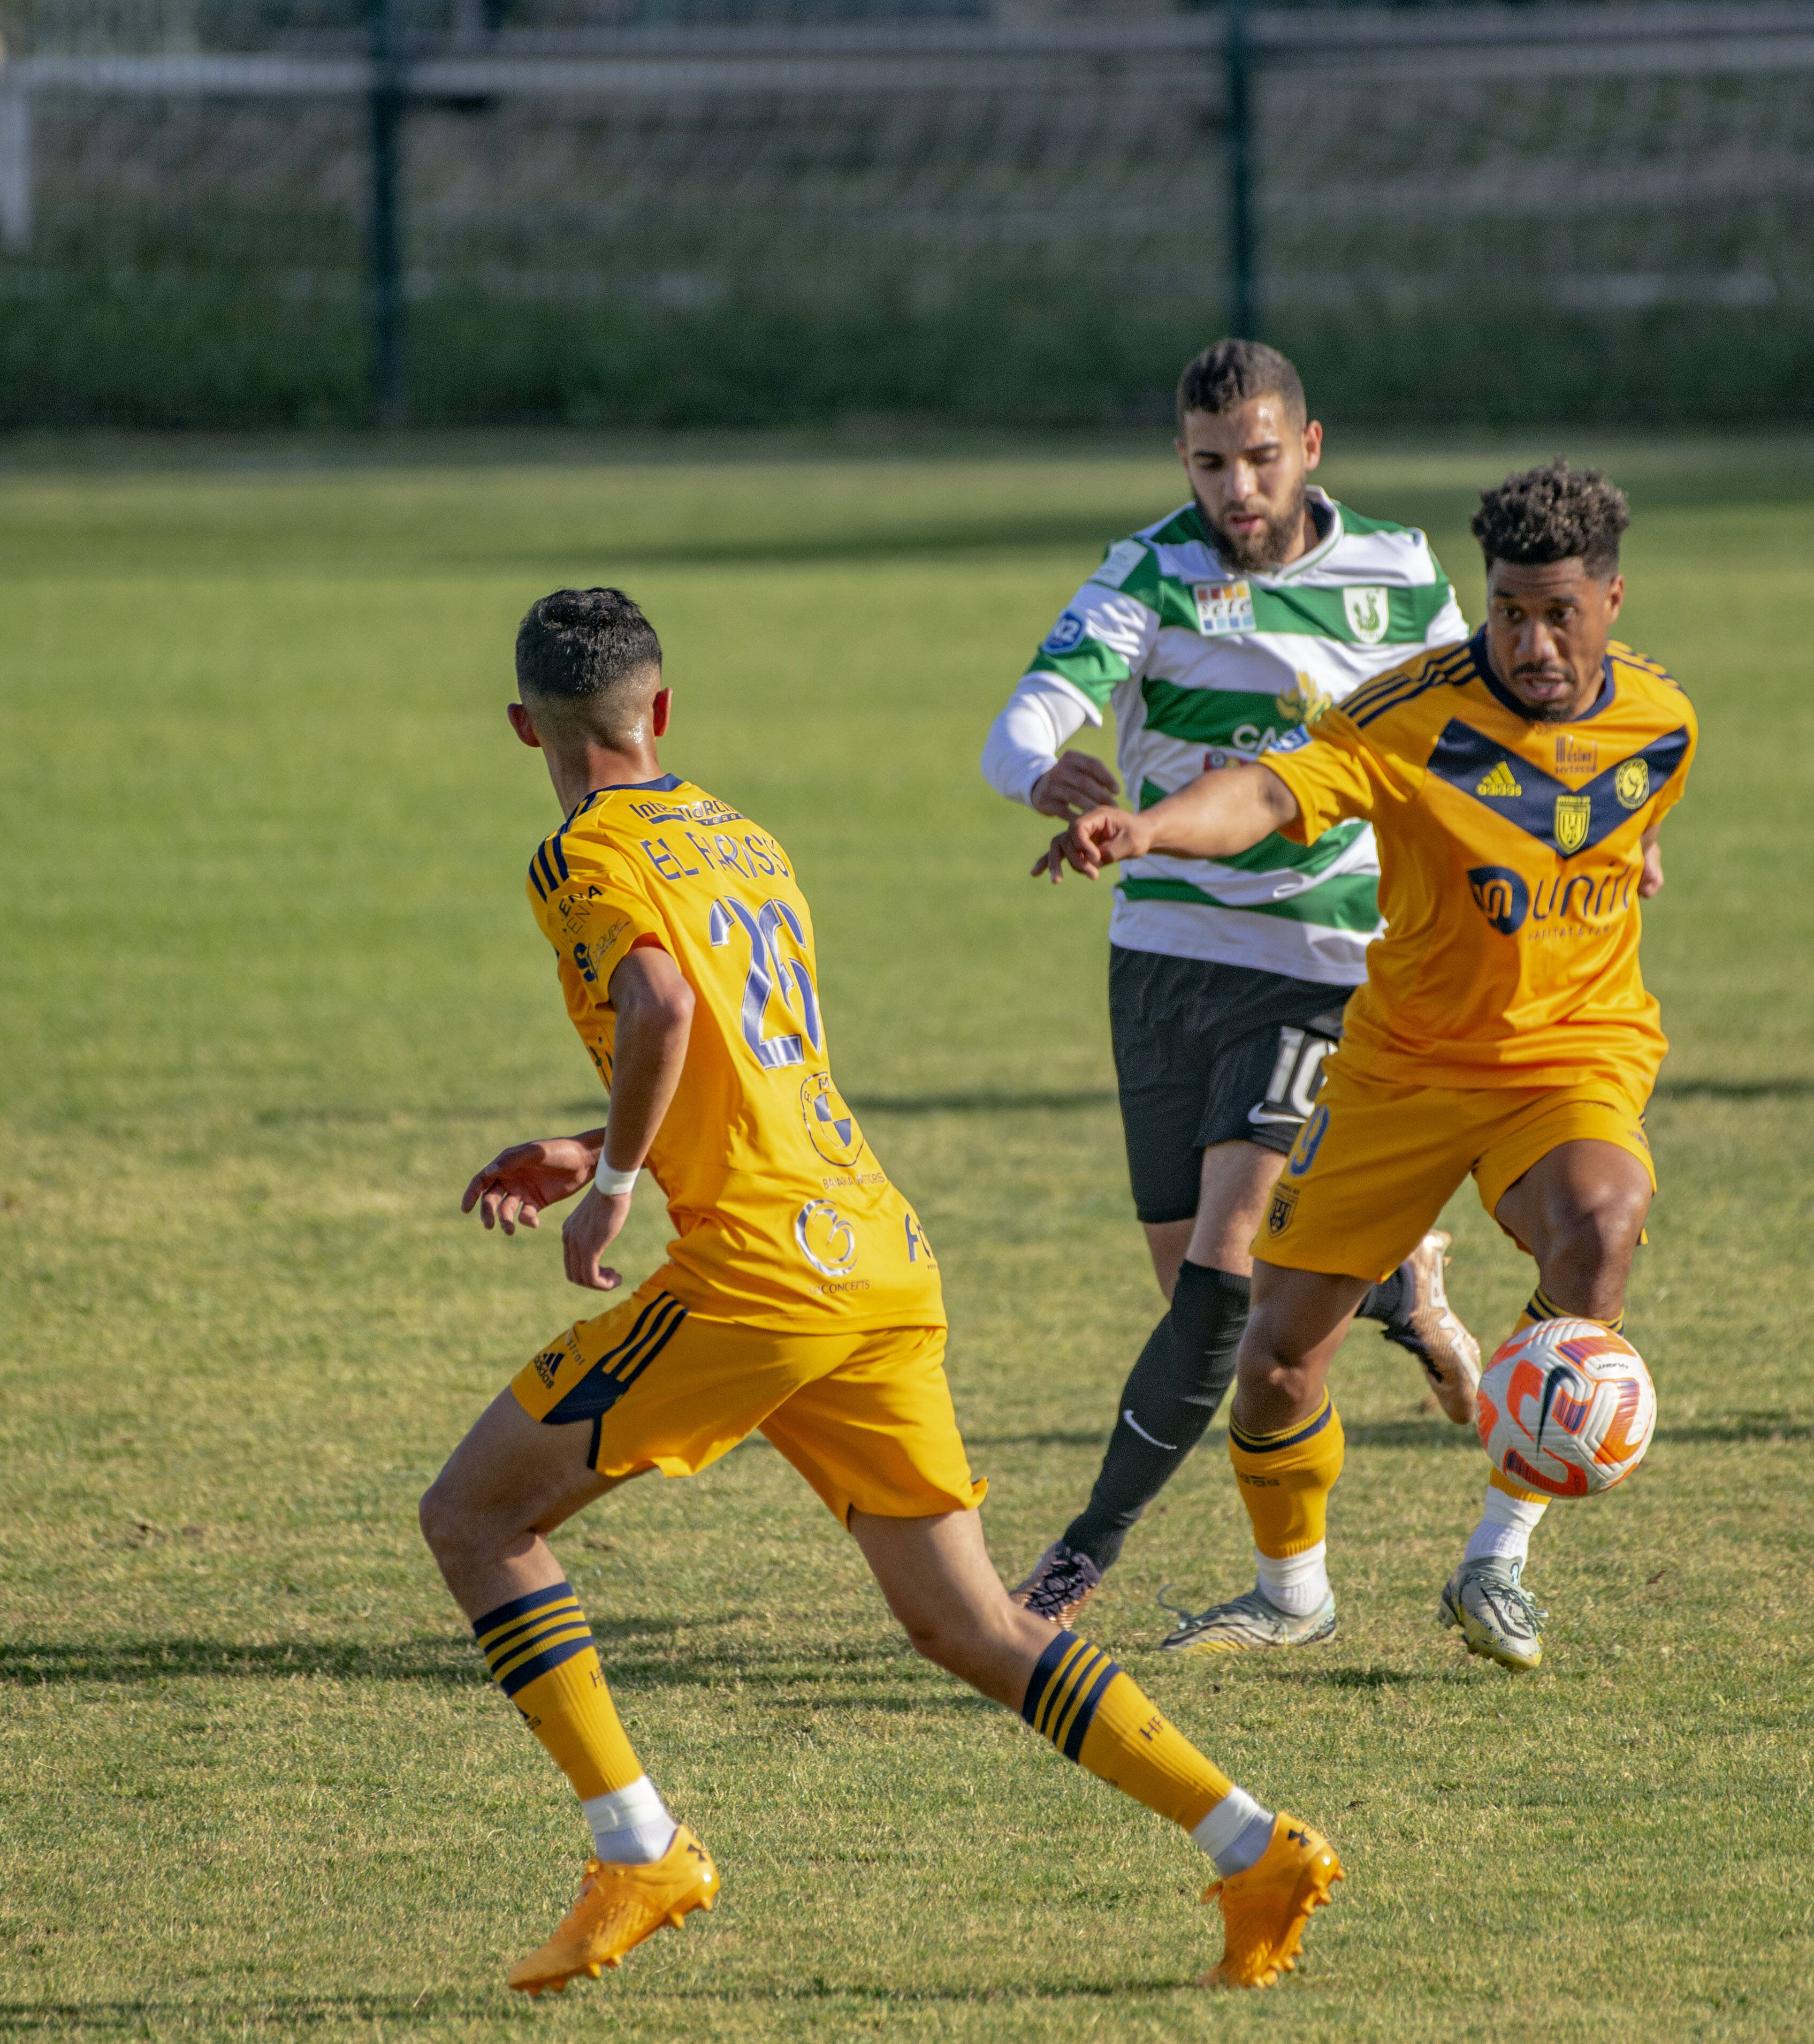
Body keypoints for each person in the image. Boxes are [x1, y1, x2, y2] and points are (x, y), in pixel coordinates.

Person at [417, 586, 1341, 1997]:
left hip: (763, 1274)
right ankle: (1250, 1842)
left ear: (521, 728)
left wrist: (611, 1182)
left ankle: (638, 1846)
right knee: (971, 1625)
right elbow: (747, 1057)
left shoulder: (578, 854)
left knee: (476, 1516)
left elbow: (662, 1008)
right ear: (660, 711)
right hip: (873, 1247)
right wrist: (593, 1140)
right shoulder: (739, 833)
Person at [1035, 461, 1694, 1671]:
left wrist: (1635, 851)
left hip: (1570, 1057)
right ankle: (1291, 1593)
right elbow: (1264, 792)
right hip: (1400, 1070)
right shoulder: (1408, 716)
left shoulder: (1664, 718)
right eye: (1508, 611)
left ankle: (1496, 1557)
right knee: (1275, 1358)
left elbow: (1629, 811)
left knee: (1601, 1223)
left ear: (1610, 598)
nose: (1531, 643)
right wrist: (1151, 826)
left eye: (1558, 613)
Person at [984, 337, 1483, 1646]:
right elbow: (1024, 717)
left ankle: (1074, 1560)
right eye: (1209, 463)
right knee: (1212, 1296)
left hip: (1319, 958)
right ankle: (1394, 1286)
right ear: (1182, 459)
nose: (1237, 489)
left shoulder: (1398, 570)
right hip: (1161, 956)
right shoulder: (1148, 570)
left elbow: (1477, 739)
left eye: (1259, 458)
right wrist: (1043, 770)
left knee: (1217, 1272)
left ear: (1307, 447)